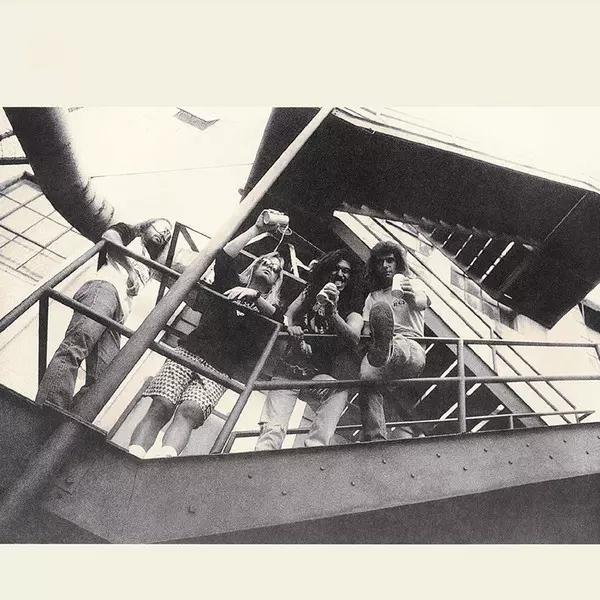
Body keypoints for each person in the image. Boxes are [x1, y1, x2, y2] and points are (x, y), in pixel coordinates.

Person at [128, 211, 287, 458]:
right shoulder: (229, 285)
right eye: (265, 262)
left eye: (275, 269)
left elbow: (279, 319)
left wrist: (254, 297)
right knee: (162, 404)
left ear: (276, 281)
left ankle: (163, 458)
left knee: (189, 411)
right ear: (255, 266)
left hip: (220, 368)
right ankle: (134, 454)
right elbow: (224, 257)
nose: (269, 267)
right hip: (190, 351)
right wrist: (257, 229)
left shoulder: (269, 312)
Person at [35, 218, 173, 411]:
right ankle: (48, 409)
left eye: (167, 234)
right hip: (104, 288)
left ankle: (68, 421)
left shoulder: (151, 263)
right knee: (76, 346)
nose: (163, 234)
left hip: (119, 314)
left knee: (102, 380)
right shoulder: (132, 235)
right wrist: (130, 270)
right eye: (161, 228)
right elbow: (109, 236)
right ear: (147, 226)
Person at [255, 249, 363, 450]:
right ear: (326, 270)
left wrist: (333, 312)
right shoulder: (310, 291)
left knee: (339, 389)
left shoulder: (352, 308)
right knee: (271, 432)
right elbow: (288, 315)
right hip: (288, 370)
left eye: (346, 271)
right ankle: (261, 458)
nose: (340, 274)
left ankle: (315, 446)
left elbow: (354, 336)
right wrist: (291, 328)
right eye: (336, 268)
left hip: (315, 377)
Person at [359, 240, 430, 441]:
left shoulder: (413, 283)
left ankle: (386, 349)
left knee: (398, 346)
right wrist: (368, 340)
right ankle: (375, 438)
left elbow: (423, 303)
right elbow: (366, 329)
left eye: (390, 261)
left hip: (411, 346)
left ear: (398, 263)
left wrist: (410, 296)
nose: (385, 266)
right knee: (366, 378)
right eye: (380, 262)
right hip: (381, 352)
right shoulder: (373, 297)